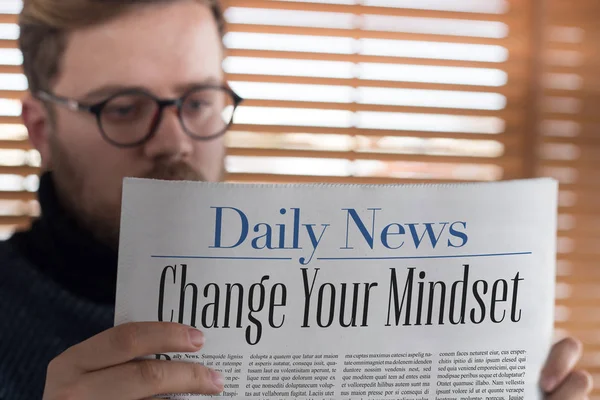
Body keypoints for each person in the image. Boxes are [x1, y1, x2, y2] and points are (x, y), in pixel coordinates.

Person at [0, 0, 592, 399]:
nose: (175, 141)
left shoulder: (335, 301)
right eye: (123, 109)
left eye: (199, 101)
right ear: (42, 131)